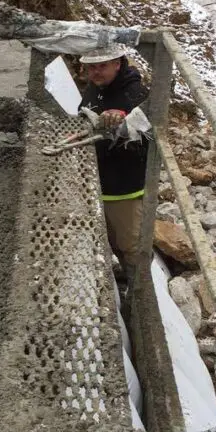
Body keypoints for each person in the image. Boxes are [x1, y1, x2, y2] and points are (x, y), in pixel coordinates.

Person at [78, 44, 149, 276]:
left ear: (118, 64)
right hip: (101, 182)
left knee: (132, 247)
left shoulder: (134, 93)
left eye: (103, 66)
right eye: (92, 67)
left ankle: (138, 300)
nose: (96, 71)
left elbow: (148, 131)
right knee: (114, 242)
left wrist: (125, 120)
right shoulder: (95, 88)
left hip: (126, 189)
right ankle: (127, 281)